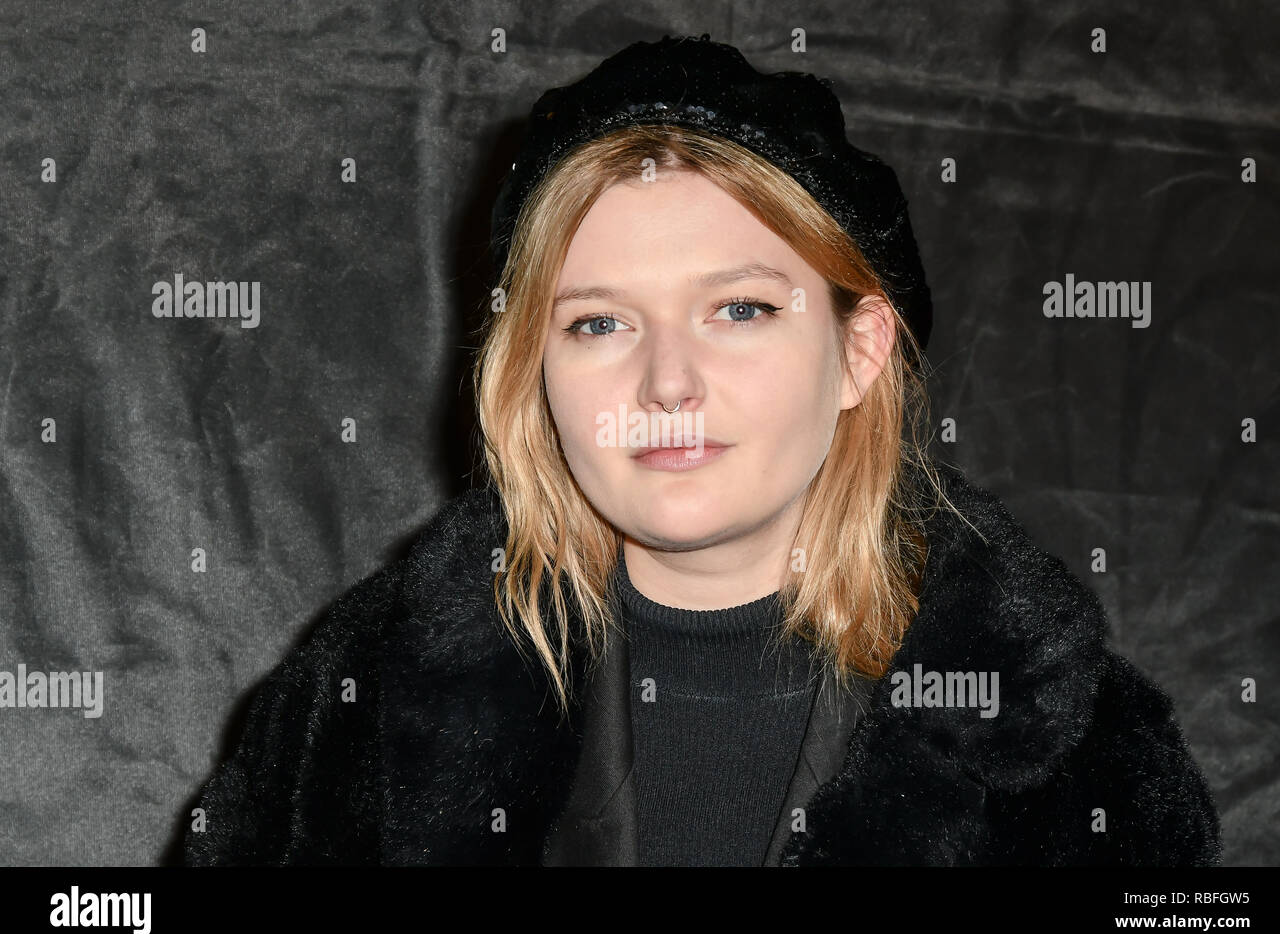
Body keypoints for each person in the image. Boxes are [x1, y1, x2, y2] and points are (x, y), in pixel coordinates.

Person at [184, 34, 1221, 866]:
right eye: (598, 322)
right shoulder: (358, 698)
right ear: (531, 370)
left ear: (858, 351)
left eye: (738, 308)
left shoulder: (1076, 743)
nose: (667, 384)